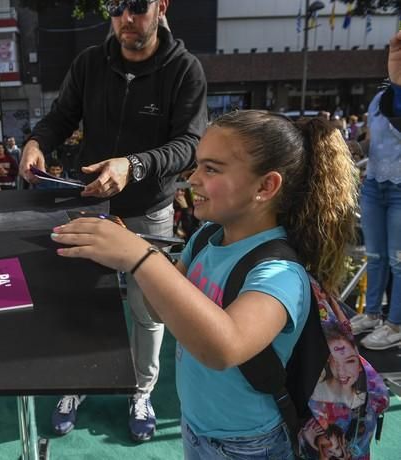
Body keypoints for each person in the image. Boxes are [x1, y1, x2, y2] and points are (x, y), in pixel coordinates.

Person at [50, 110, 358, 458]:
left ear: (265, 186)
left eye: (211, 169)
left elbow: (222, 348)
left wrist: (140, 257)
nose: (193, 179)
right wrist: (132, 257)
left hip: (248, 444)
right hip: (196, 424)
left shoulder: (280, 273)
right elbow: (157, 311)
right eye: (197, 166)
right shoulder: (206, 238)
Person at [19, 0, 207, 442]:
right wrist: (36, 141)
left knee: (147, 310)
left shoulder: (185, 69)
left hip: (149, 210)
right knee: (82, 300)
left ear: (161, 6)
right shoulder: (89, 62)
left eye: (137, 6)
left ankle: (141, 391)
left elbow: (191, 144)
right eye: (116, 6)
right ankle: (76, 382)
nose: (126, 17)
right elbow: (61, 117)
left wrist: (134, 165)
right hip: (90, 206)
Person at [350, 31, 401, 350]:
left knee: (398, 260)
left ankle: (395, 323)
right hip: (374, 185)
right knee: (375, 256)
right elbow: (375, 139)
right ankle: (371, 314)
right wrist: (355, 147)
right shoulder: (379, 98)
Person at [311, 323, 365, 408]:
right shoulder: (314, 395)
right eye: (336, 361)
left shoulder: (366, 399)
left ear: (360, 365)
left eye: (350, 361)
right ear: (327, 360)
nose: (342, 371)